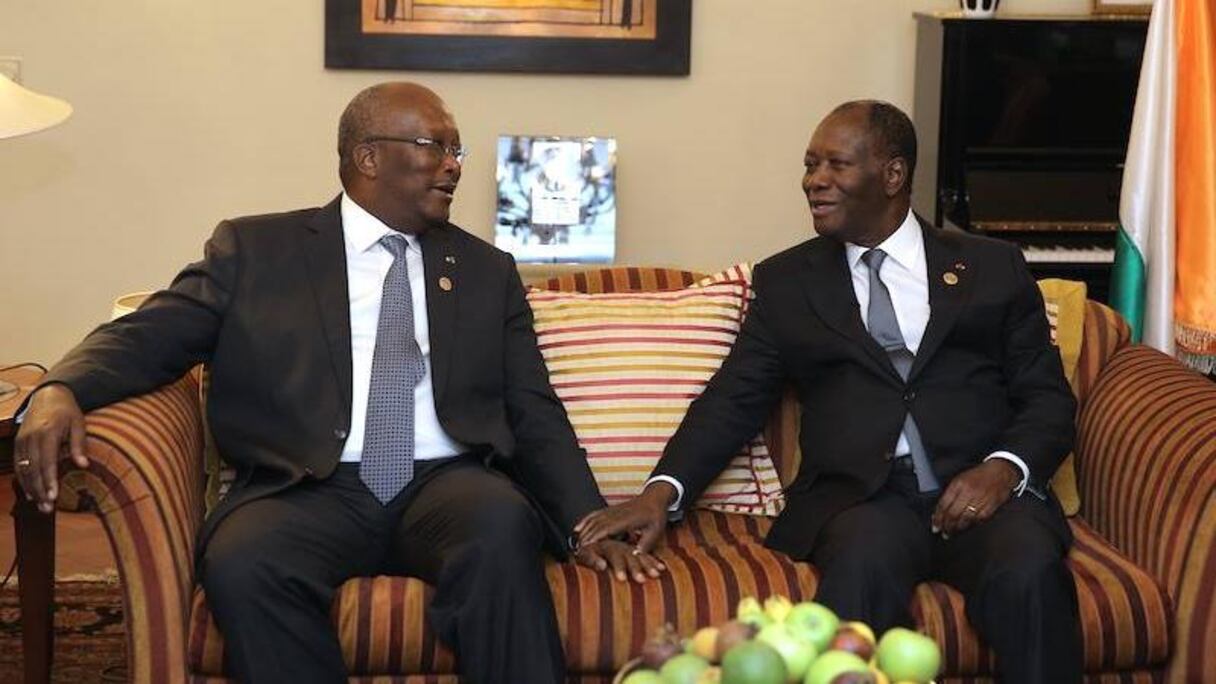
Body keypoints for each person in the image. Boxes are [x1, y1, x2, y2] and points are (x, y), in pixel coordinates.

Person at [13, 82, 663, 684]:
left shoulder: (485, 270)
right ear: (368, 158)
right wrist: (60, 387)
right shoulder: (255, 250)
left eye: (456, 149)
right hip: (306, 485)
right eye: (435, 145)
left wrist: (586, 517)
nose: (455, 164)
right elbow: (150, 335)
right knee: (246, 563)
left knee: (501, 529)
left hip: (447, 481)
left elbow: (531, 406)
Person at [577, 100, 1082, 683]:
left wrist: (1003, 469)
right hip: (866, 502)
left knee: (1029, 570)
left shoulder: (990, 266)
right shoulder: (789, 281)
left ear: (892, 174)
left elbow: (1047, 398)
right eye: (810, 164)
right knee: (858, 574)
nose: (813, 181)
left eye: (835, 164)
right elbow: (733, 399)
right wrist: (660, 493)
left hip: (985, 494)